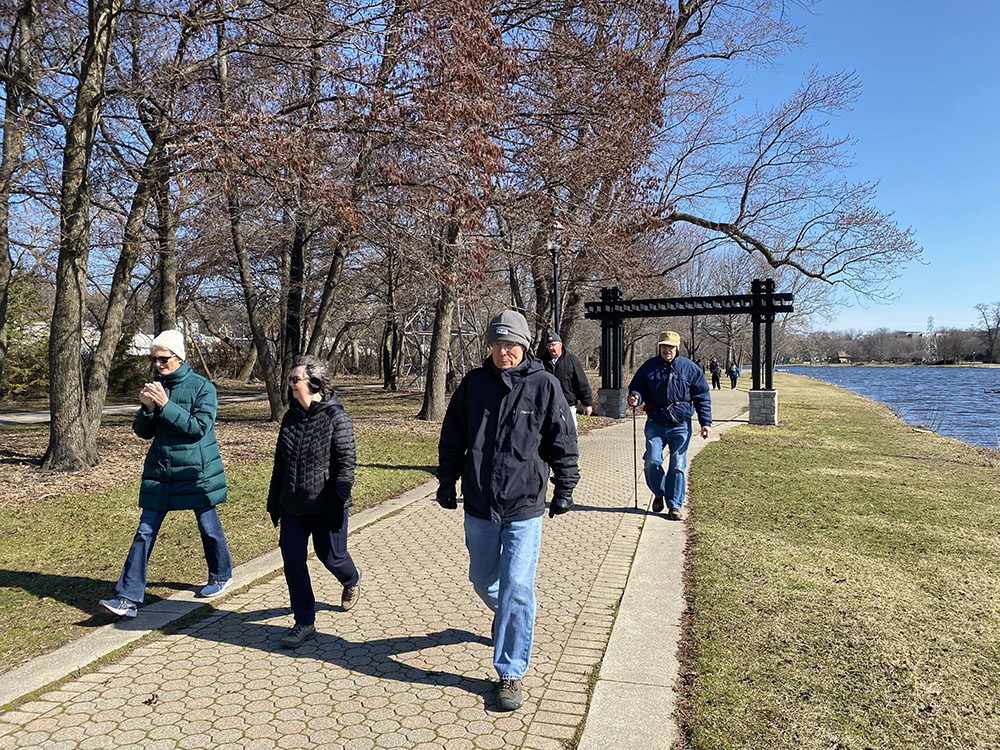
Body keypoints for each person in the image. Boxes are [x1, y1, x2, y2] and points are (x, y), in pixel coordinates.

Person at [437, 310, 580, 712]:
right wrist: (447, 481)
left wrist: (565, 486)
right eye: (498, 344)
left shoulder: (544, 385)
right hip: (479, 502)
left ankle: (510, 670)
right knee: (483, 579)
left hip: (524, 505)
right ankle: (513, 619)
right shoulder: (473, 385)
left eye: (511, 345)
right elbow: (453, 437)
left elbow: (562, 441)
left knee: (518, 586)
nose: (504, 352)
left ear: (524, 345)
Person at [99, 330, 233, 618]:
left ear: (179, 357)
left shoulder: (202, 387)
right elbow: (143, 432)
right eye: (154, 359)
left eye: (163, 359)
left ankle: (221, 575)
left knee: (209, 528)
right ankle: (127, 598)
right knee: (144, 532)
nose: (158, 365)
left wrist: (164, 405)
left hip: (197, 473)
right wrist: (147, 410)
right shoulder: (157, 386)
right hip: (161, 472)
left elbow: (199, 428)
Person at [267, 355, 362, 648]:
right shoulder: (290, 417)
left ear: (314, 382)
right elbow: (280, 463)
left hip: (326, 505)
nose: (291, 385)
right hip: (293, 506)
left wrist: (338, 500)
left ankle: (350, 580)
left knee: (331, 556)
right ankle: (304, 621)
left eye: (296, 380)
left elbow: (347, 464)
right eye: (291, 380)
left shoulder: (337, 418)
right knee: (293, 562)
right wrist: (274, 499)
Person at [627, 330, 712, 521]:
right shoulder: (649, 367)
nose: (668, 350)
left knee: (678, 465)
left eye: (671, 347)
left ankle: (675, 505)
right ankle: (659, 491)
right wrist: (635, 397)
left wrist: (706, 422)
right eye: (664, 346)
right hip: (655, 422)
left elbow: (702, 396)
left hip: (680, 424)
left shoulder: (689, 368)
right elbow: (637, 388)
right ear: (659, 347)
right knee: (652, 460)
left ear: (677, 348)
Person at [541, 331, 594, 431]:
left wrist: (587, 404)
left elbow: (581, 383)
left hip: (568, 406)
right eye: (548, 346)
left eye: (553, 345)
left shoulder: (572, 360)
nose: (551, 348)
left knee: (569, 434)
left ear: (560, 345)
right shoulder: (541, 362)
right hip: (547, 406)